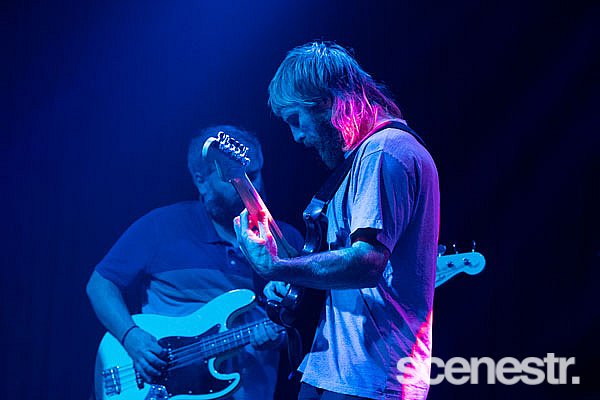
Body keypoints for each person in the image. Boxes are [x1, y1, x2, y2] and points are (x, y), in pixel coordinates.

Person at [234, 42, 440, 399]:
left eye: (296, 119)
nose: (297, 136)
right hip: (338, 372)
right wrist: (293, 278)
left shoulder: (383, 150)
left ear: (328, 100)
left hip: (368, 378)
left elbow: (367, 263)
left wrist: (276, 267)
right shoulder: (370, 155)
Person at [87, 125, 304, 399]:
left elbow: (307, 321)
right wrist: (131, 336)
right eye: (233, 177)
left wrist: (283, 337)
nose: (250, 186)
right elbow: (100, 285)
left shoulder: (285, 240)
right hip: (161, 386)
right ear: (201, 180)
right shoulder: (161, 226)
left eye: (255, 174)